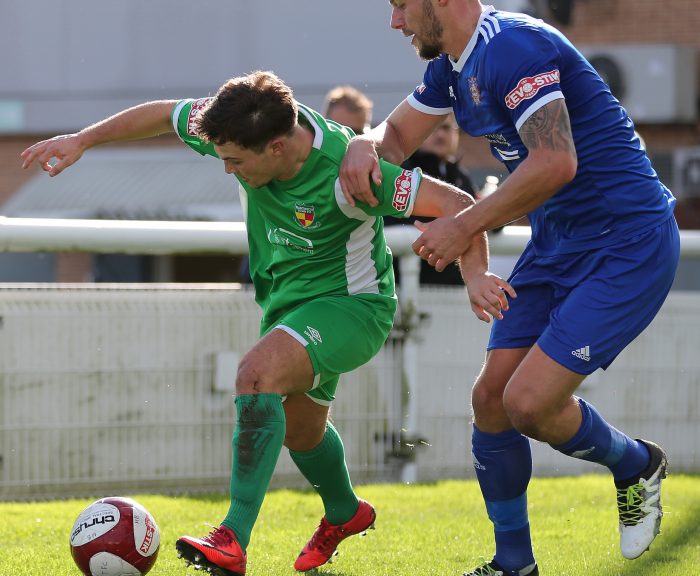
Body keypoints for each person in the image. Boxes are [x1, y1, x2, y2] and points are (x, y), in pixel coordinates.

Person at [21, 70, 514, 576]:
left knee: (255, 375)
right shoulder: (237, 128)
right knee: (301, 434)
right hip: (288, 308)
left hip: (354, 308)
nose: (227, 170)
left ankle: (232, 537)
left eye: (236, 161)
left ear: (277, 148)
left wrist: (475, 276)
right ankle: (345, 512)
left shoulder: (350, 173)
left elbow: (457, 204)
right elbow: (163, 115)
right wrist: (83, 139)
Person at [339, 2, 679, 575]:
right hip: (557, 244)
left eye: (401, 5)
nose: (396, 22)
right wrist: (363, 143)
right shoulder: (452, 63)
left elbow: (555, 162)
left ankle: (635, 464)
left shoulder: (514, 48)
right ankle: (514, 565)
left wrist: (464, 225)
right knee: (490, 403)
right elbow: (396, 134)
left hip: (627, 243)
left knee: (527, 404)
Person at [391, 112, 479, 285]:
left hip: (451, 289)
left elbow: (487, 222)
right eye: (433, 128)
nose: (440, 135)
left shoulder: (460, 176)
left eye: (446, 128)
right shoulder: (401, 173)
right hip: (406, 284)